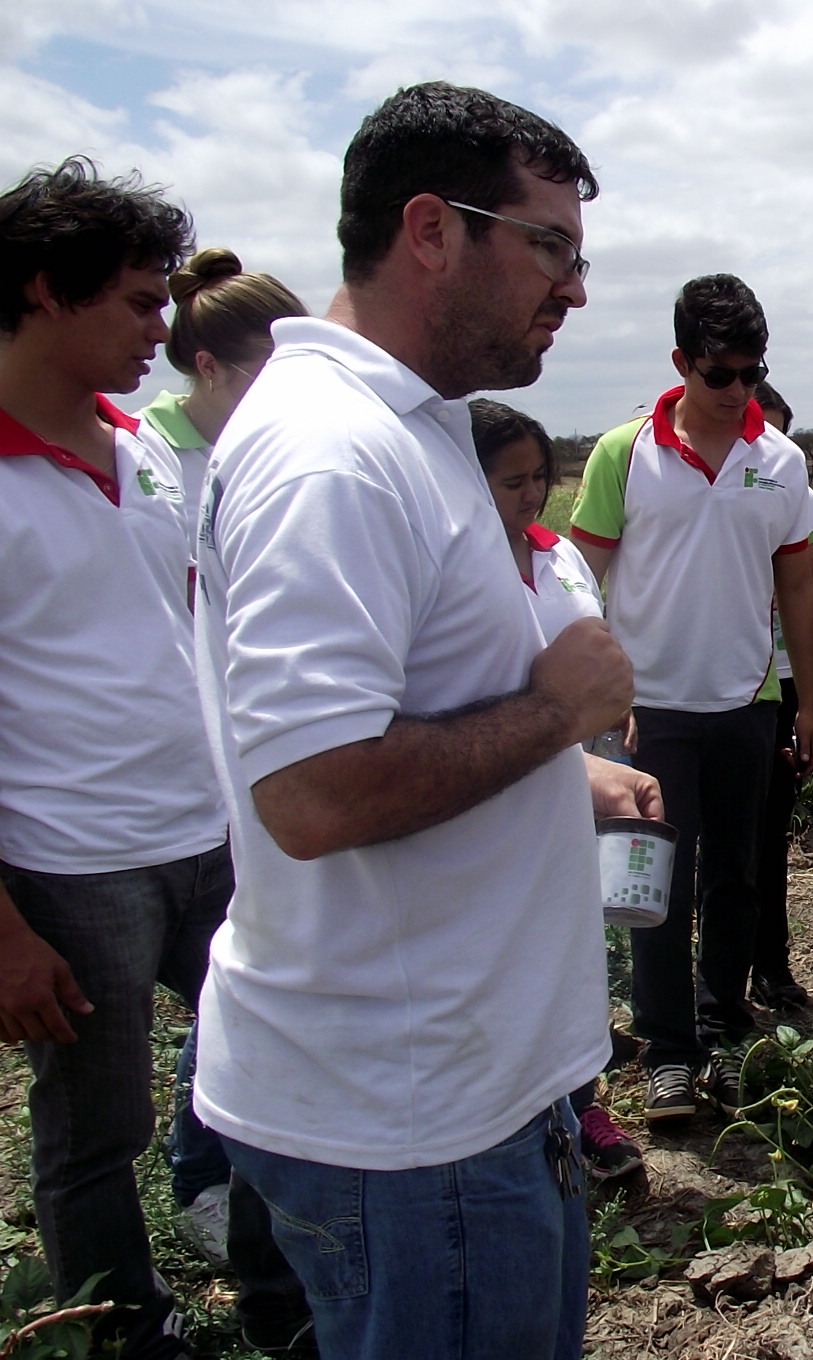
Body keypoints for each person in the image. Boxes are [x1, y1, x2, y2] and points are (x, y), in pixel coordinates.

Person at [193, 83, 661, 1360]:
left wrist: (563, 771)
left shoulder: (417, 433)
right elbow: (314, 793)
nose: (572, 289)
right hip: (411, 1120)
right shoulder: (332, 455)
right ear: (430, 231)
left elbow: (412, 724)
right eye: (550, 247)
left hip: (467, 1090)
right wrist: (558, 712)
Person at [0, 157, 235, 1360]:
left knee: (283, 1065)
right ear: (46, 289)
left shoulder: (144, 448)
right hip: (74, 865)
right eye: (140, 302)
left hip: (212, 833)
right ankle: (119, 1330)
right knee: (97, 1131)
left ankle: (294, 1287)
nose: (164, 325)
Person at [571, 272, 813, 1126]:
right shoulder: (624, 453)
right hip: (654, 707)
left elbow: (797, 588)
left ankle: (721, 1031)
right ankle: (669, 1054)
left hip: (746, 700)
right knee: (657, 886)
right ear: (681, 362)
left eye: (752, 373)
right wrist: (592, 696)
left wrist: (806, 702)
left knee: (738, 881)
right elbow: (579, 579)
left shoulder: (779, 462)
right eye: (720, 374)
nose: (738, 391)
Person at [126, 246, 309, 1273]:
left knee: (234, 984)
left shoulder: (257, 452)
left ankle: (226, 1173)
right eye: (258, 378)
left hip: (232, 779)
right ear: (207, 366)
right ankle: (198, 1175)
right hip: (151, 784)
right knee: (222, 991)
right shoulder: (147, 460)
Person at [470, 396, 645, 1188]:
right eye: (512, 481)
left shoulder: (559, 557)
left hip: (580, 771)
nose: (531, 495)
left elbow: (591, 639)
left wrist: (618, 711)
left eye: (540, 477)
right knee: (505, 955)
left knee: (576, 945)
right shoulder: (457, 567)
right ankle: (517, 1116)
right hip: (493, 786)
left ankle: (580, 1101)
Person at [747, 379, 813, 1011]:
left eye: (778, 431)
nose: (766, 443)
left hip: (785, 679)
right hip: (718, 686)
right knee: (720, 843)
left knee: (768, 832)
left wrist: (790, 597)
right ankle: (716, 977)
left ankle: (771, 967)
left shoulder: (793, 489)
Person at [138, 248, 306, 548]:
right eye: (274, 368)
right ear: (209, 366)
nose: (295, 385)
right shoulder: (137, 450)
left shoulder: (300, 444)